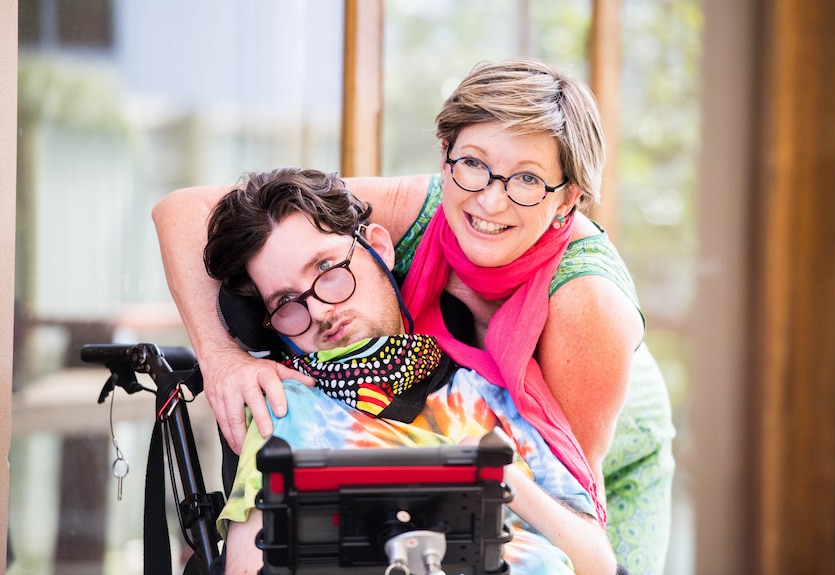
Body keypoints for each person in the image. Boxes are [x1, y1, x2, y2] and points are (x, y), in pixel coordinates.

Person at [152, 58, 674, 574]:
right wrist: (221, 357)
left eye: (528, 179)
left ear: (569, 200)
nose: (490, 200)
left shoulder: (587, 303)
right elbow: (182, 212)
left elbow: (576, 515)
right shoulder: (425, 206)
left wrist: (506, 480)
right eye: (472, 163)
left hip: (598, 435)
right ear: (446, 154)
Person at [204, 167, 618, 575]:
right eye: (286, 302)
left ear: (378, 247)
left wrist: (502, 477)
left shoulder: (490, 393)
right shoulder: (286, 408)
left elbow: (599, 564)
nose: (319, 311)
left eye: (327, 269)